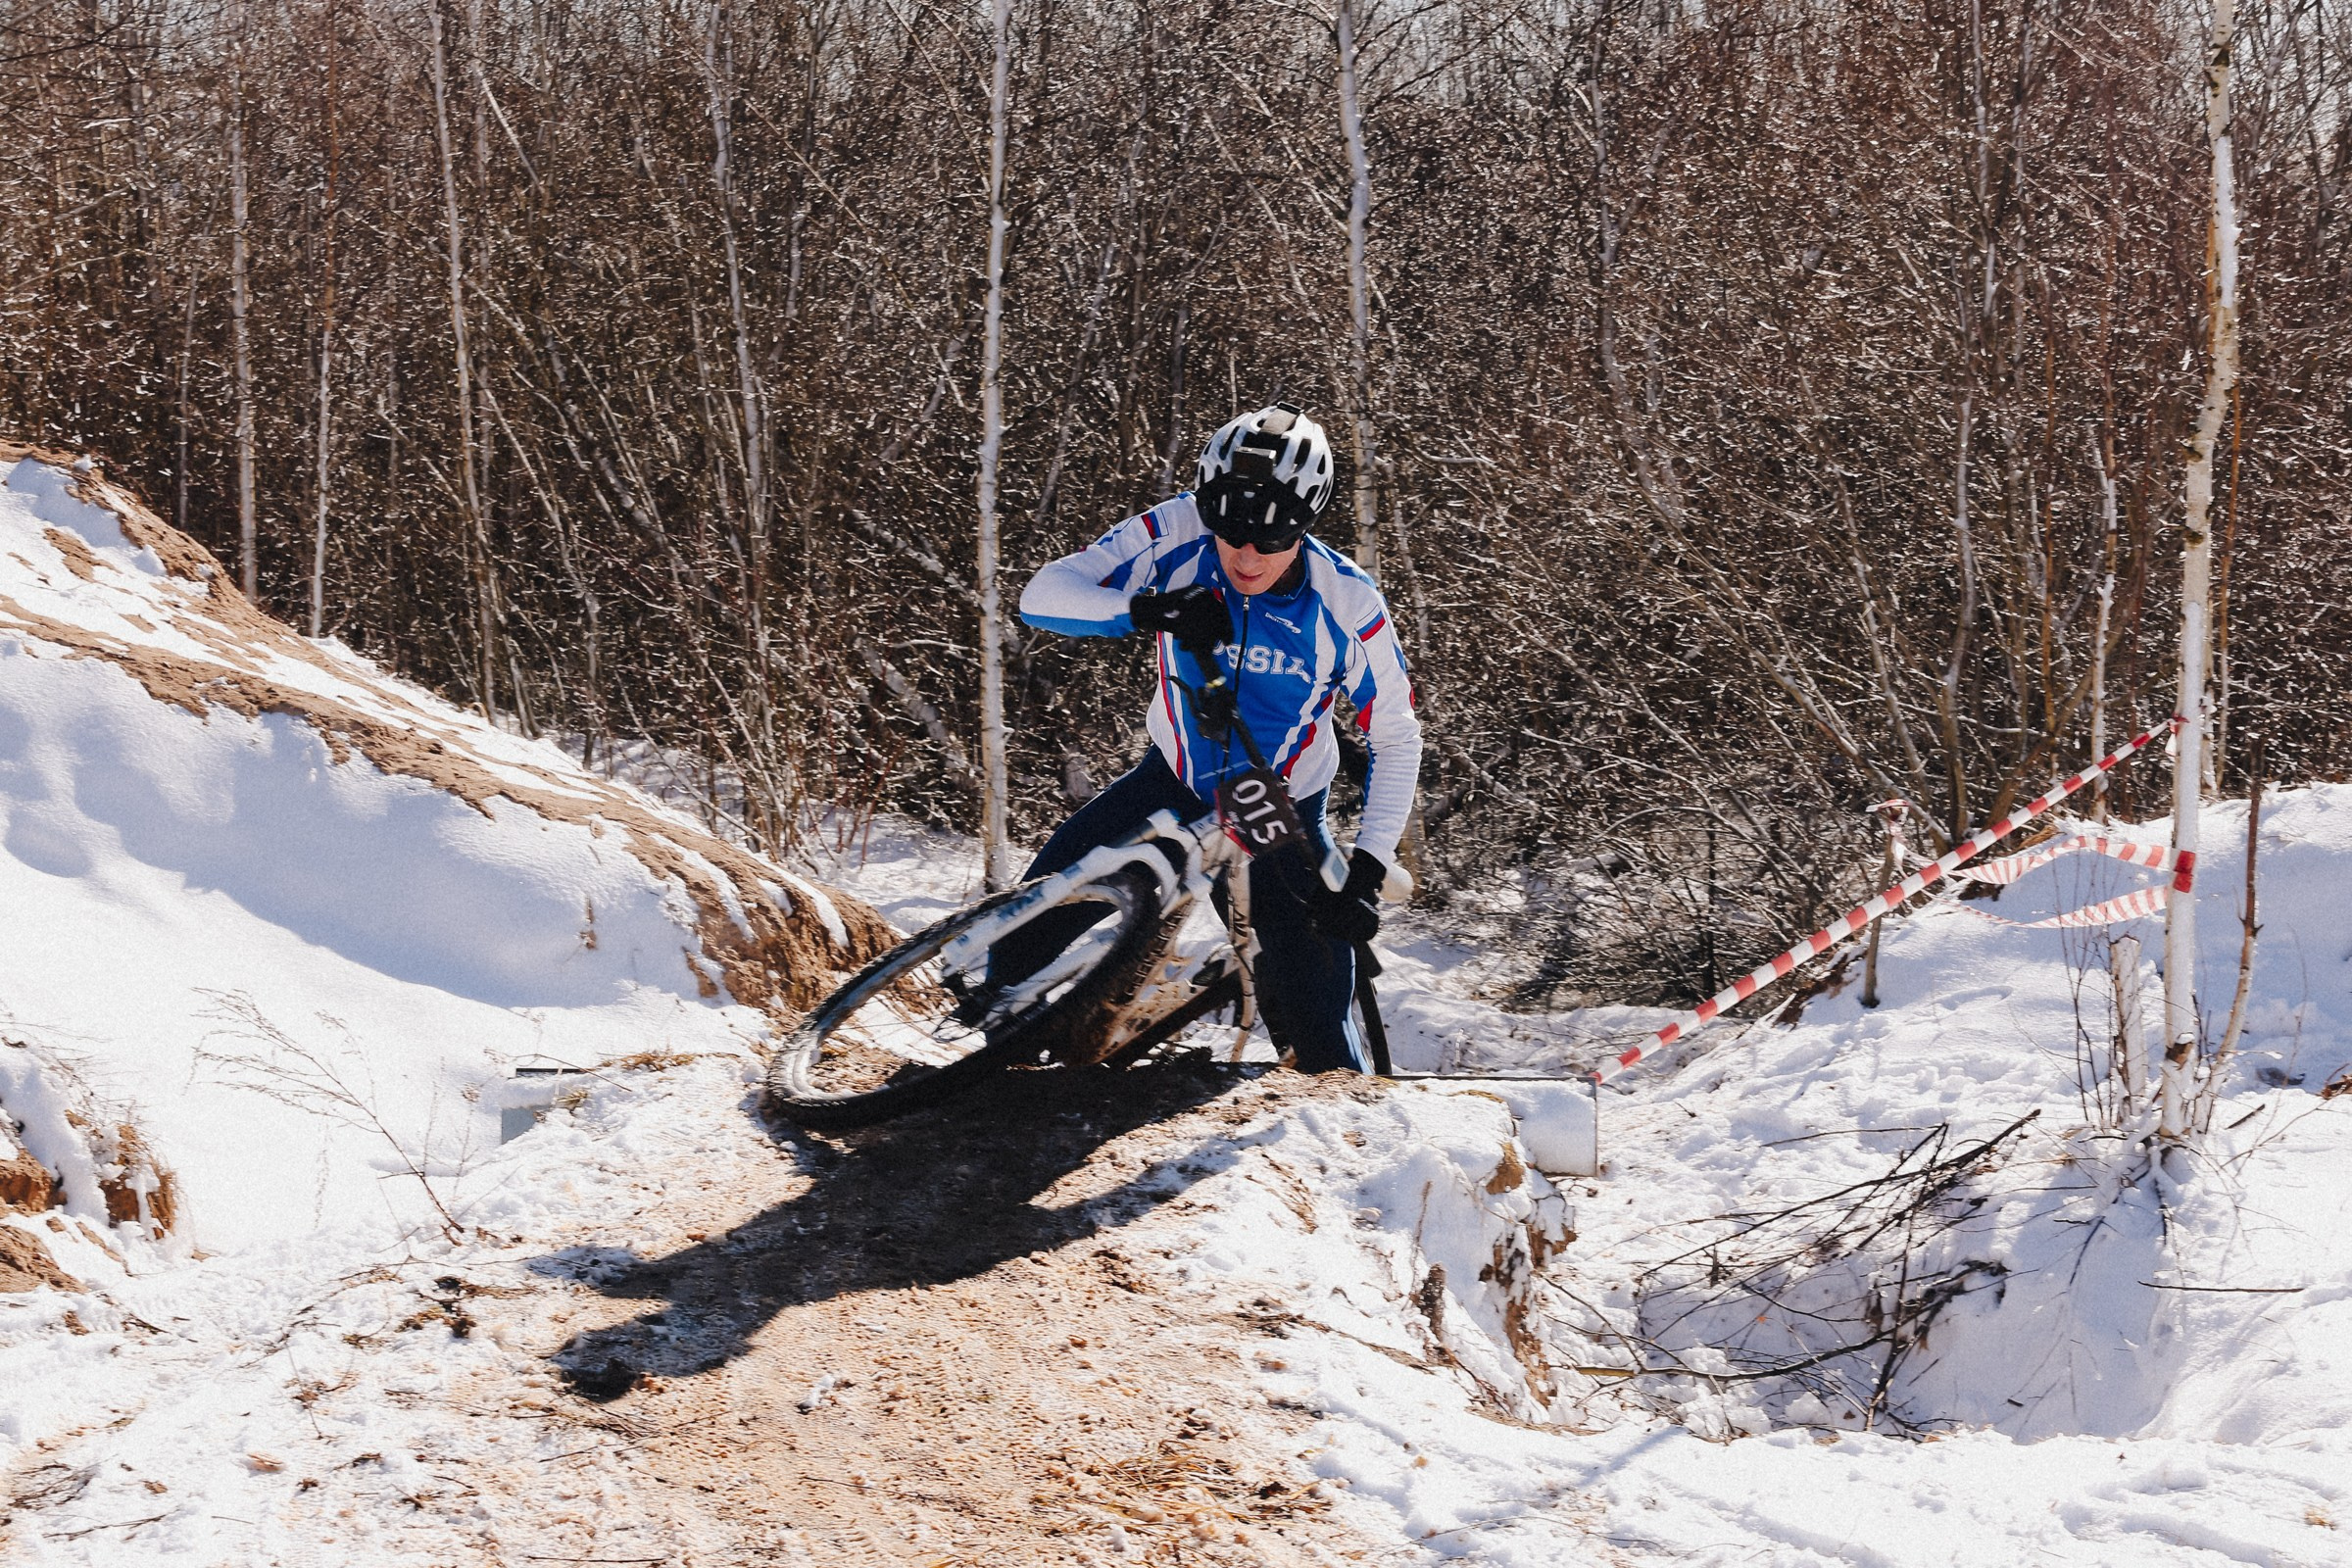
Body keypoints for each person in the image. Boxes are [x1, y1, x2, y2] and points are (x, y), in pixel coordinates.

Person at [1004, 401, 1422, 1073]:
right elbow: (1042, 595)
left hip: (1267, 803)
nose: (1246, 556)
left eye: (1271, 539)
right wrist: (1146, 608)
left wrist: (1368, 870)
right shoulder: (1176, 529)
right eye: (1230, 532)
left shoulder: (1348, 601)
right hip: (1173, 778)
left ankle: (1336, 1103)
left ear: (1306, 524)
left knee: (1315, 1019)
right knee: (1021, 935)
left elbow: (1397, 737)